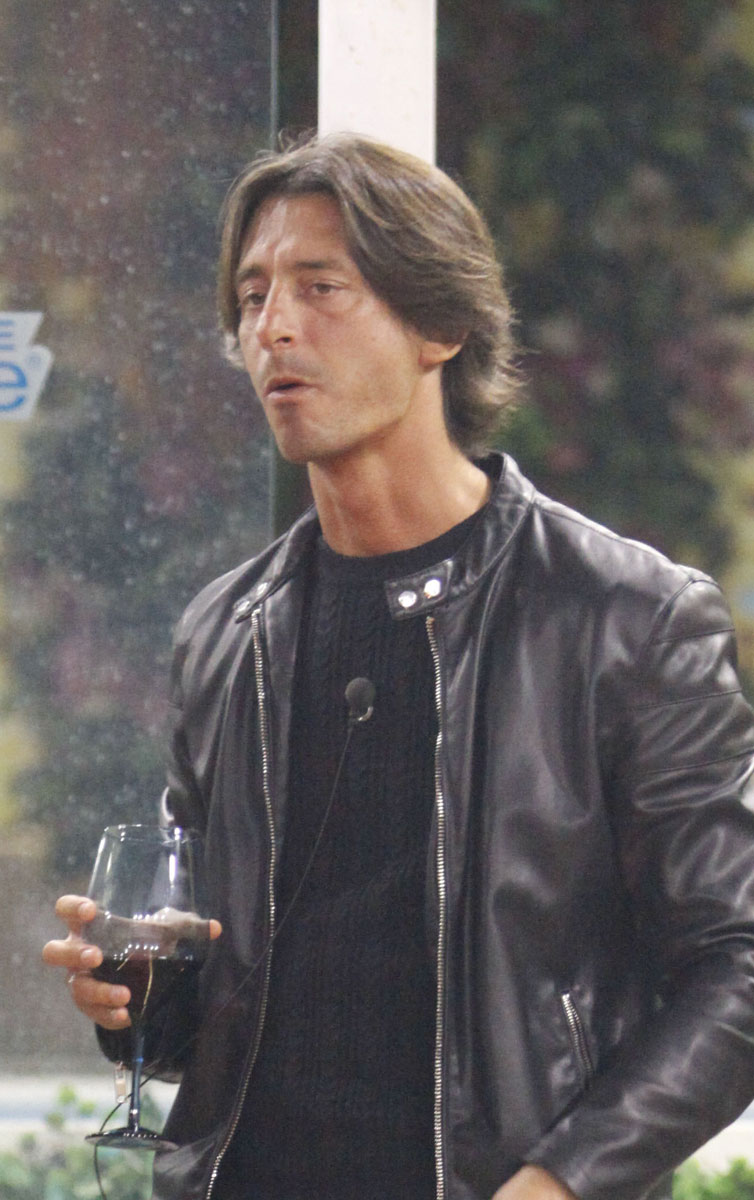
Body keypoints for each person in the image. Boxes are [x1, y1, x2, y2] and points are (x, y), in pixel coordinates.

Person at [44, 133, 754, 1200]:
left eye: (320, 287)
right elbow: (223, 999)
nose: (272, 327)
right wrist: (132, 1002)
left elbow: (735, 964)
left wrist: (561, 1181)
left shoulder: (626, 618)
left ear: (441, 325)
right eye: (251, 297)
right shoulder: (227, 630)